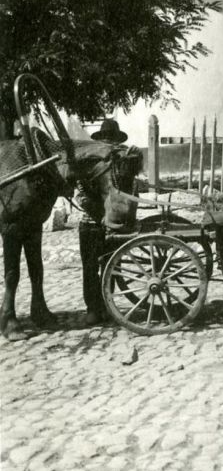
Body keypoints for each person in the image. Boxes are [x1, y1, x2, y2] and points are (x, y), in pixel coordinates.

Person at [78, 117, 136, 325]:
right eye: (106, 138)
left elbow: (128, 190)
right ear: (100, 140)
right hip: (91, 224)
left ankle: (107, 306)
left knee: (111, 266)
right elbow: (82, 196)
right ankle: (93, 308)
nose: (109, 142)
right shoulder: (90, 162)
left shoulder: (121, 163)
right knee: (90, 267)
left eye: (112, 138)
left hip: (115, 223)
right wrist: (99, 215)